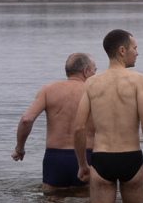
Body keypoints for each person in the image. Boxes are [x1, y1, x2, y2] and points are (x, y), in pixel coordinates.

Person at [74, 29, 143, 203]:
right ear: (122, 50)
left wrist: (82, 164)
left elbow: (79, 128)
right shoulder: (138, 80)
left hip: (102, 159)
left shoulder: (91, 83)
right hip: (130, 158)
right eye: (135, 48)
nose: (137, 53)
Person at [12, 53, 97, 193]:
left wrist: (19, 149)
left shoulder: (48, 90)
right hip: (86, 156)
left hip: (55, 157)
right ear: (85, 71)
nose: (95, 74)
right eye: (94, 70)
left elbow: (26, 120)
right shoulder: (95, 92)